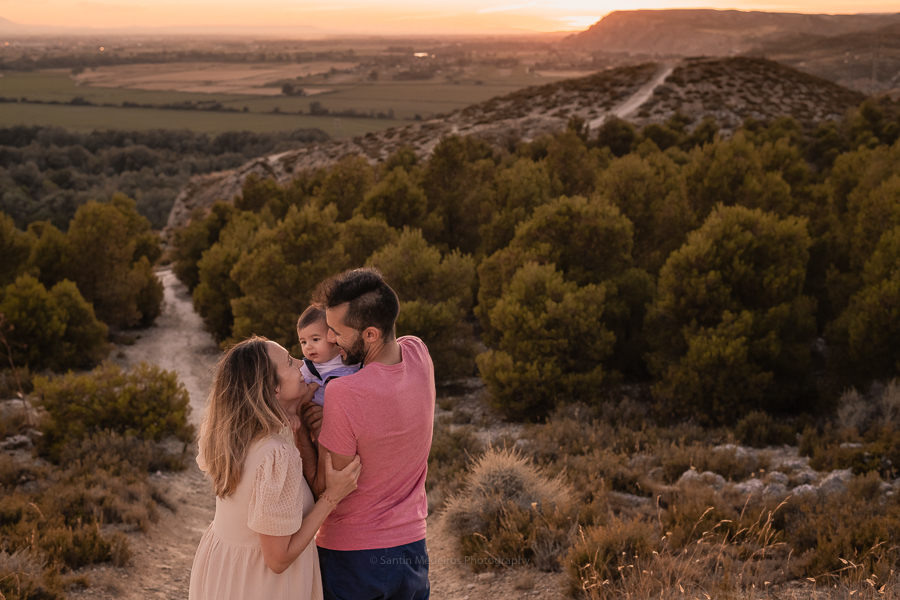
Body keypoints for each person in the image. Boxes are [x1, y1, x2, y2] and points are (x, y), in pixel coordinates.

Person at [296, 267, 435, 600]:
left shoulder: (344, 393)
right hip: (411, 548)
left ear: (370, 334)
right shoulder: (418, 352)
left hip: (353, 557)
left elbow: (326, 488)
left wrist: (301, 428)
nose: (329, 339)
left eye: (336, 332)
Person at [189, 336, 361, 600]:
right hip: (263, 585)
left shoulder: (229, 435)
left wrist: (296, 417)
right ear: (273, 388)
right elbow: (278, 560)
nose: (302, 363)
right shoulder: (277, 455)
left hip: (227, 572)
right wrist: (331, 497)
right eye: (291, 363)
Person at [297, 305, 361, 408]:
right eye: (303, 342)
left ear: (334, 336)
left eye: (315, 339)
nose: (308, 346)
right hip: (318, 416)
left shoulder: (353, 361)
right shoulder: (306, 368)